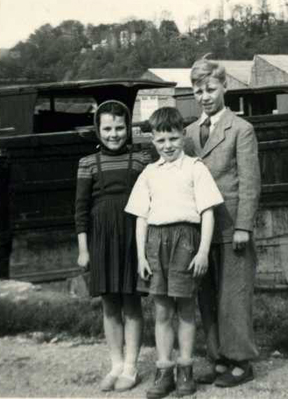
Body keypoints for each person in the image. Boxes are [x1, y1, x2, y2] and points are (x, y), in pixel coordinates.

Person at [125, 106, 222, 399]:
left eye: (173, 138)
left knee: (186, 309)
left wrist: (202, 251)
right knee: (163, 310)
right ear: (153, 141)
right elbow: (141, 217)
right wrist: (141, 256)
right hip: (156, 243)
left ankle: (185, 369)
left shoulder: (195, 168)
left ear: (183, 136)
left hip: (186, 242)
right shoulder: (149, 173)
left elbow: (207, 212)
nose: (167, 146)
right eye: (161, 140)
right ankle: (164, 370)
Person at [185, 56, 261, 388]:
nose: (204, 96)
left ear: (225, 87)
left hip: (231, 227)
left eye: (211, 89)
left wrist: (244, 226)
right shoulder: (188, 133)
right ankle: (218, 359)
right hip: (200, 231)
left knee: (233, 296)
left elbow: (250, 182)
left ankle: (241, 361)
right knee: (207, 296)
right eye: (198, 91)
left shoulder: (241, 130)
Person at [74, 100, 149, 392]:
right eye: (107, 129)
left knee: (131, 304)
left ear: (128, 128)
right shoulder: (87, 164)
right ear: (98, 130)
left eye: (119, 128)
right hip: (101, 240)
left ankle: (130, 368)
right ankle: (116, 364)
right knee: (109, 305)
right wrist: (84, 250)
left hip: (132, 238)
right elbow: (80, 211)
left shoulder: (141, 160)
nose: (113, 134)